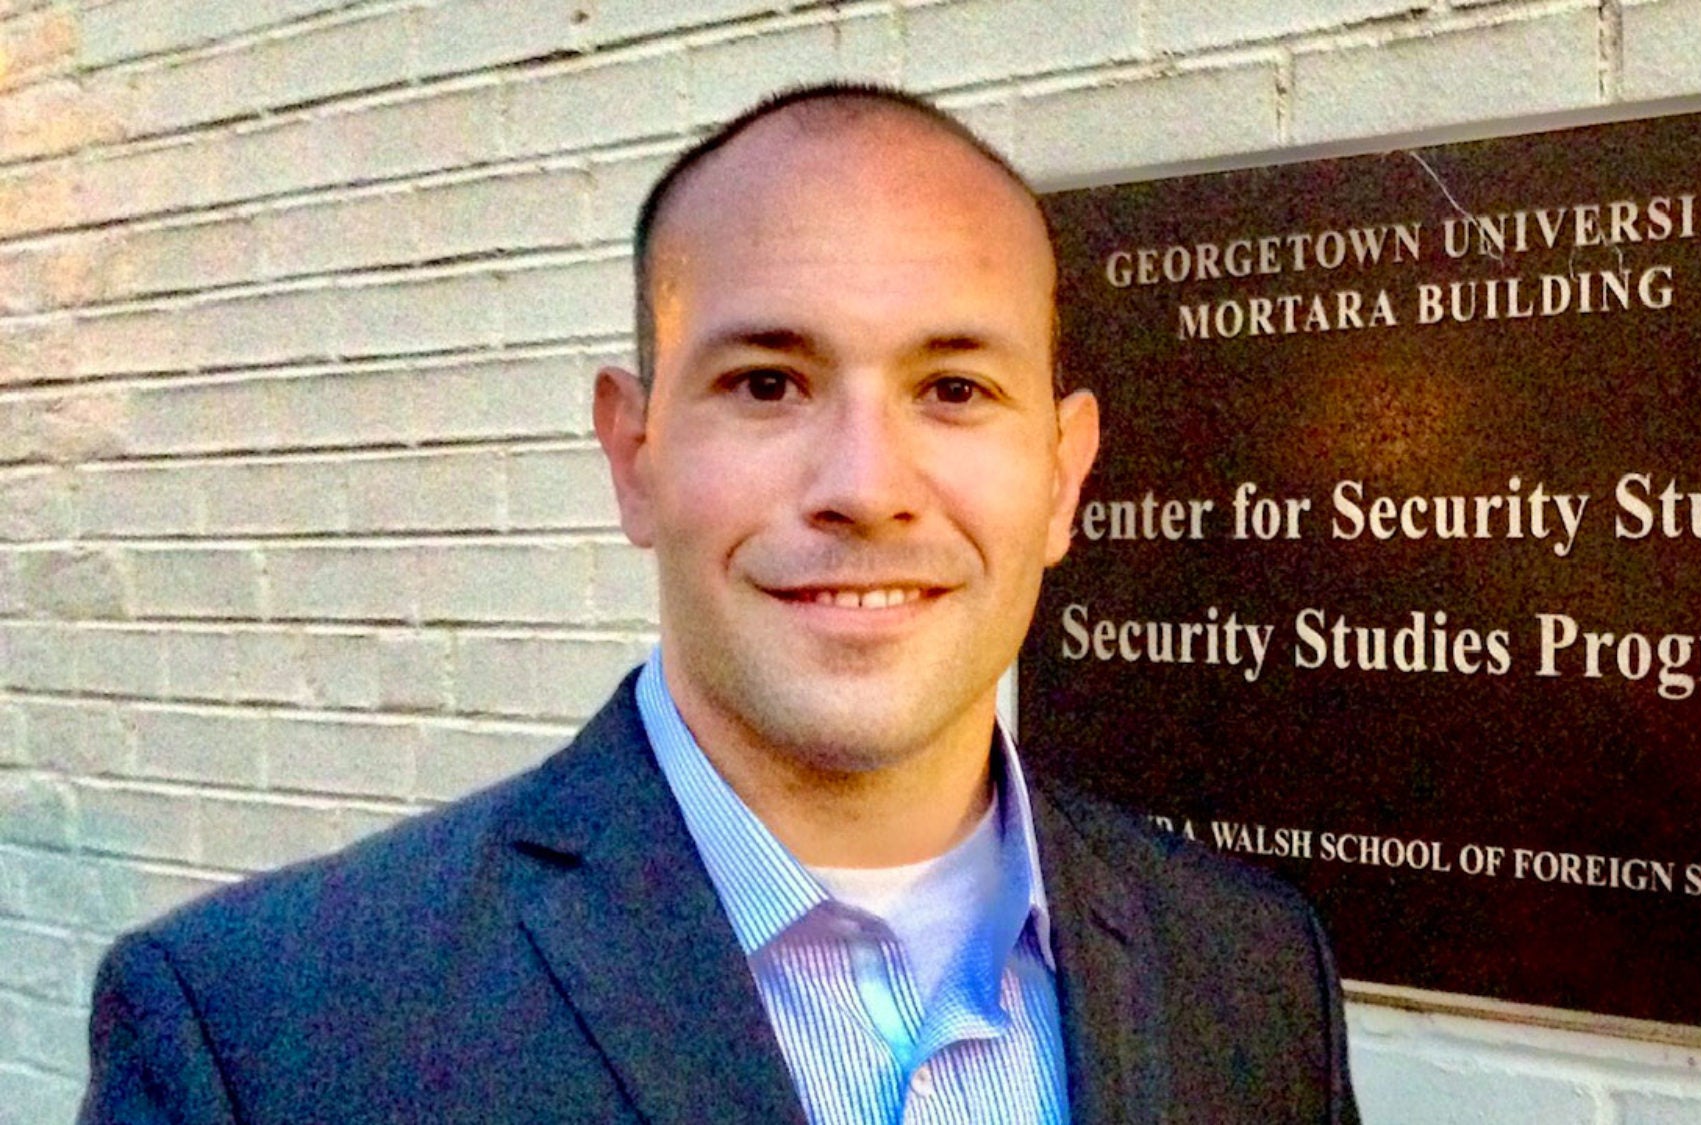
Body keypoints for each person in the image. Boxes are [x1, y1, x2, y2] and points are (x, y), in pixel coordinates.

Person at [80, 83, 1362, 1124]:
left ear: (1061, 474)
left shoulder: (1246, 973)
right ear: (634, 456)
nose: (865, 488)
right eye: (766, 385)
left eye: (954, 389)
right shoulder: (264, 1037)